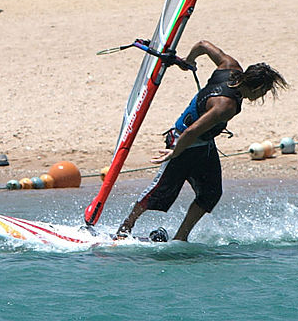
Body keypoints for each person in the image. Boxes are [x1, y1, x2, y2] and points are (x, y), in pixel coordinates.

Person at [116, 40, 287, 242]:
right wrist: (175, 151)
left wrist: (188, 61)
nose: (261, 97)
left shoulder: (230, 66)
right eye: (263, 92)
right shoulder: (226, 105)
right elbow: (192, 130)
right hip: (183, 143)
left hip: (203, 146)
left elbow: (203, 45)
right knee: (159, 192)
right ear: (256, 86)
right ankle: (123, 231)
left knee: (211, 193)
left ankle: (181, 238)